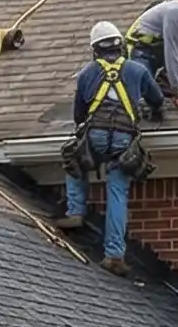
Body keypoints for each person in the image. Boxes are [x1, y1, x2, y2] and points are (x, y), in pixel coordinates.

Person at [59, 20, 165, 277]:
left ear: (95, 50)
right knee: (117, 192)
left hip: (95, 135)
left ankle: (75, 211)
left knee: (74, 161)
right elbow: (157, 99)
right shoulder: (137, 70)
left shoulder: (86, 73)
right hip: (124, 140)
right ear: (120, 46)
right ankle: (114, 255)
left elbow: (78, 115)